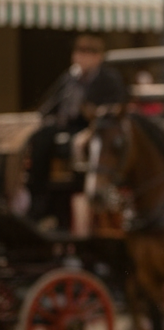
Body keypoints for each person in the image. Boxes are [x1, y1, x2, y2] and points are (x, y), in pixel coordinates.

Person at [26, 33, 127, 223]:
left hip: (91, 126)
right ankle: (38, 197)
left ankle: (78, 192)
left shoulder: (108, 78)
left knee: (77, 143)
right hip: (65, 125)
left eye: (85, 53)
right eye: (78, 53)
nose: (79, 58)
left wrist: (94, 111)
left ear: (97, 57)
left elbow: (117, 107)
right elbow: (50, 104)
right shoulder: (70, 78)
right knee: (40, 137)